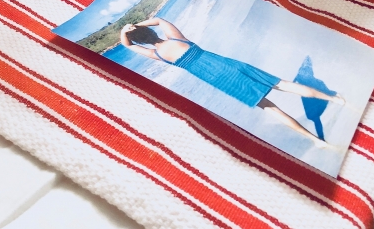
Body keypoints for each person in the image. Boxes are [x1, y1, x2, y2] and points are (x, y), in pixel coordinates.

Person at [120, 18, 344, 147]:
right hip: (229, 65)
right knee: (283, 84)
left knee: (270, 108)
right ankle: (334, 99)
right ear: (149, 30)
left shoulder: (157, 55)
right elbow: (159, 19)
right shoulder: (177, 37)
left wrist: (125, 32)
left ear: (142, 42)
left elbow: (128, 46)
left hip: (217, 79)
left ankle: (315, 140)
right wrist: (136, 25)